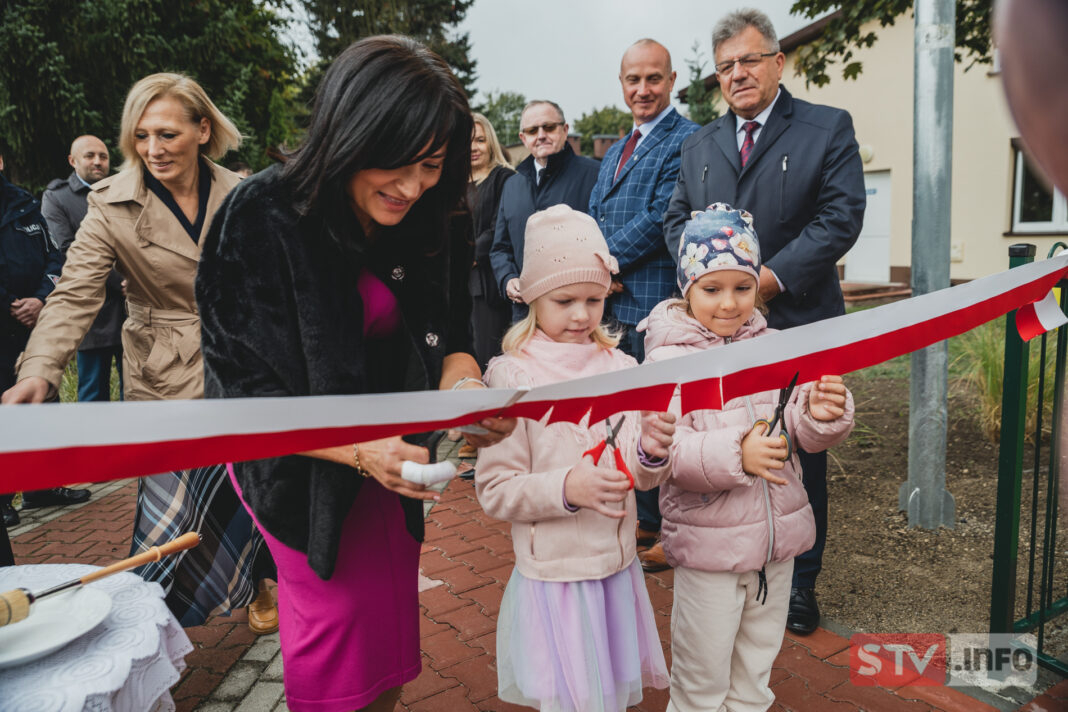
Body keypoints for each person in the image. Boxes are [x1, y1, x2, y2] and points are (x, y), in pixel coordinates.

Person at [195, 36, 516, 712]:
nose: (412, 186)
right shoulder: (259, 216)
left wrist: (467, 397)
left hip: (392, 456)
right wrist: (360, 452)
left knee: (390, 625)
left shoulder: (437, 211)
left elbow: (453, 341)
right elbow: (242, 398)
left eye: (430, 164)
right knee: (334, 628)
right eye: (393, 163)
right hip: (295, 465)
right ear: (348, 132)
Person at [1, 73, 277, 634]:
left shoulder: (247, 194)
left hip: (246, 364)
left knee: (254, 484)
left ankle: (261, 578)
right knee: (170, 511)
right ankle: (151, 629)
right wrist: (39, 371)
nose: (154, 149)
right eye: (143, 135)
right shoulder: (110, 204)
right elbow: (76, 291)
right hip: (166, 370)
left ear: (203, 130)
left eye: (169, 133)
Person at [663, 8, 866, 634]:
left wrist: (766, 282)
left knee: (799, 445)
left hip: (799, 321)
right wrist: (707, 287)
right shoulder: (698, 144)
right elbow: (677, 223)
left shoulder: (826, 128)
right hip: (714, 331)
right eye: (726, 66)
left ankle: (801, 583)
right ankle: (733, 558)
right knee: (724, 438)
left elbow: (840, 217)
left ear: (779, 62)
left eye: (750, 60)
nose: (738, 73)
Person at [641, 204, 854, 711]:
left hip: (777, 547)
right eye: (712, 288)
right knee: (702, 673)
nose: (729, 303)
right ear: (686, 288)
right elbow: (666, 451)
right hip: (709, 550)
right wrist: (737, 452)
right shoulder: (666, 360)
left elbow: (800, 427)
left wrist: (824, 413)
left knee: (756, 668)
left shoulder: (778, 348)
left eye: (742, 287)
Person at [475, 204, 676, 712]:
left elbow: (644, 480)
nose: (583, 315)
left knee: (607, 696)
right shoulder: (512, 379)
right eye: (565, 300)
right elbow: (495, 490)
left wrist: (652, 452)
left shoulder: (622, 366)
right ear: (534, 297)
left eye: (594, 299)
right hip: (558, 580)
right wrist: (566, 488)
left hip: (616, 569)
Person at [589, 38, 699, 574]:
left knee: (661, 417)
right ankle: (647, 517)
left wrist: (607, 262)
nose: (643, 89)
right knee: (628, 416)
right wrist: (593, 265)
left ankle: (669, 530)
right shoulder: (614, 149)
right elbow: (594, 211)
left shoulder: (688, 140)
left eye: (653, 78)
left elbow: (662, 217)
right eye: (633, 79)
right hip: (610, 305)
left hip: (650, 301)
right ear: (622, 84)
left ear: (672, 80)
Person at [0, 148, 89, 532]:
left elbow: (54, 257)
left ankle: (41, 485)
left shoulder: (24, 203)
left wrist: (40, 298)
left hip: (33, 327)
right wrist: (9, 303)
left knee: (41, 405)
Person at [490, 100, 599, 320]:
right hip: (524, 314)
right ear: (523, 138)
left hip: (577, 316)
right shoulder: (512, 185)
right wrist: (508, 278)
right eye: (532, 130)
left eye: (549, 127)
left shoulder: (595, 174)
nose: (541, 135)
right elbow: (500, 248)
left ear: (565, 130)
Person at [41, 135, 126, 403]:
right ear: (72, 160)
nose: (98, 162)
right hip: (92, 312)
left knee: (137, 395)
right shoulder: (57, 198)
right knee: (92, 396)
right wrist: (121, 283)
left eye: (103, 156)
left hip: (130, 311)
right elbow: (67, 251)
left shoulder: (122, 191)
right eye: (90, 156)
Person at [468, 113, 515, 370]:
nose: (473, 148)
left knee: (485, 357)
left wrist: (468, 255)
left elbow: (497, 229)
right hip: (456, 282)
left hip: (486, 284)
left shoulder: (503, 178)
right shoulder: (451, 183)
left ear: (491, 142)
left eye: (479, 140)